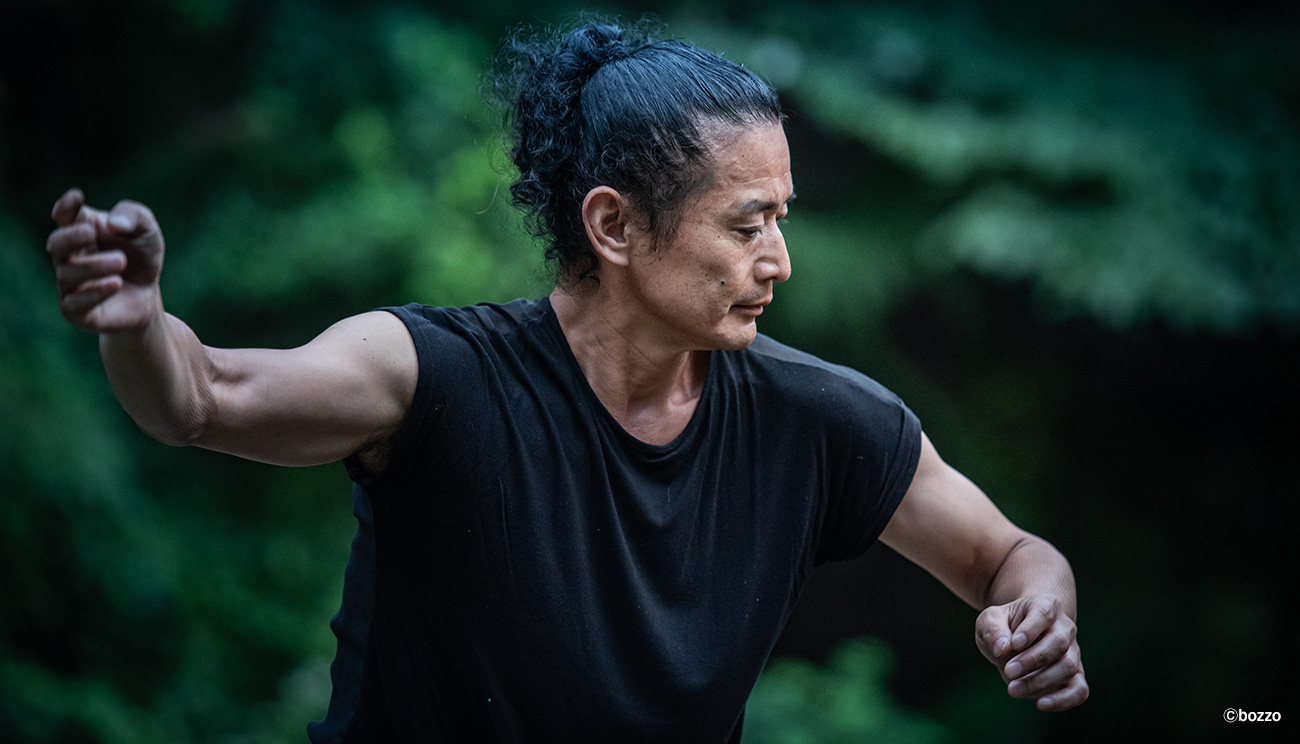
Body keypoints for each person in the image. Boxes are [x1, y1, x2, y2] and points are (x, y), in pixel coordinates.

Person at [45, 18, 1087, 743]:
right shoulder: (434, 376)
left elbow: (1008, 556)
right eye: (745, 225)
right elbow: (200, 399)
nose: (779, 261)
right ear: (614, 224)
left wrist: (1039, 614)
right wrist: (140, 320)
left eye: (781, 218)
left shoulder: (817, 418)